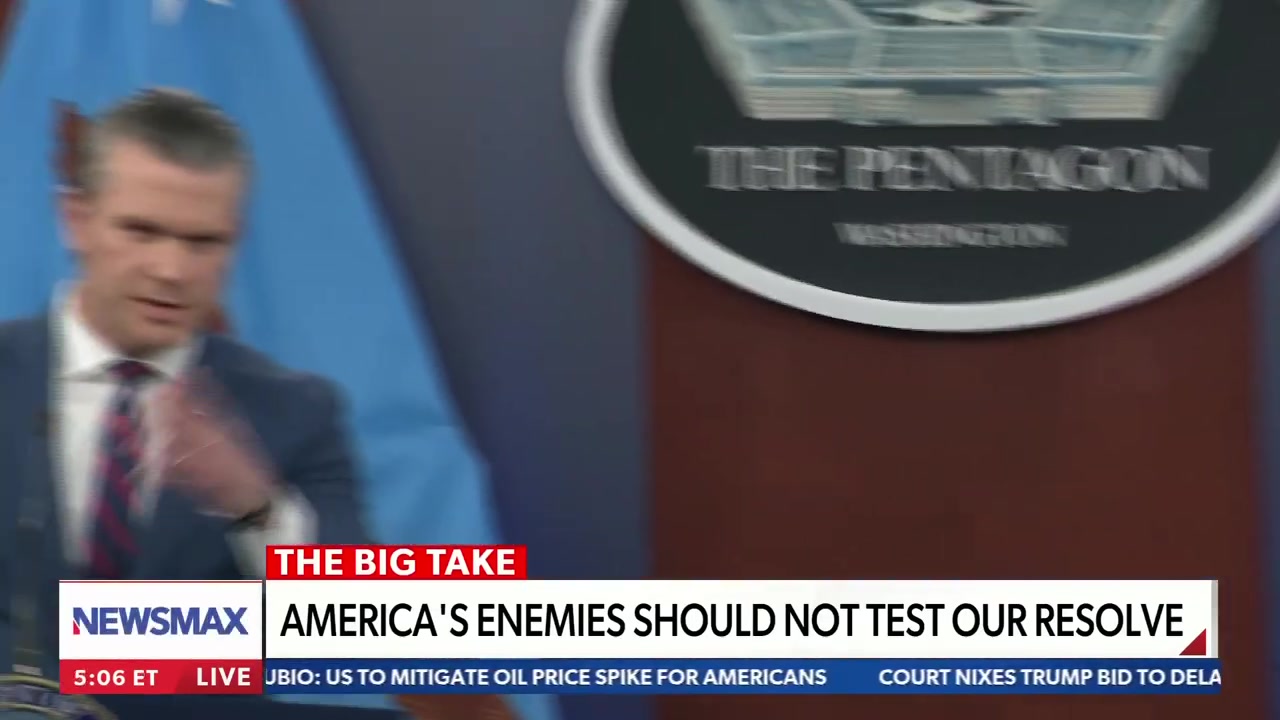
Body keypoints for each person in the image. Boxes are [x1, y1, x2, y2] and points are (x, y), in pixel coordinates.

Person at [0, 88, 369, 676]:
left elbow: (363, 627)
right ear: (76, 220)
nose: (171, 271)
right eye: (142, 231)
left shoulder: (296, 413)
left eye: (203, 242)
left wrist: (254, 507)